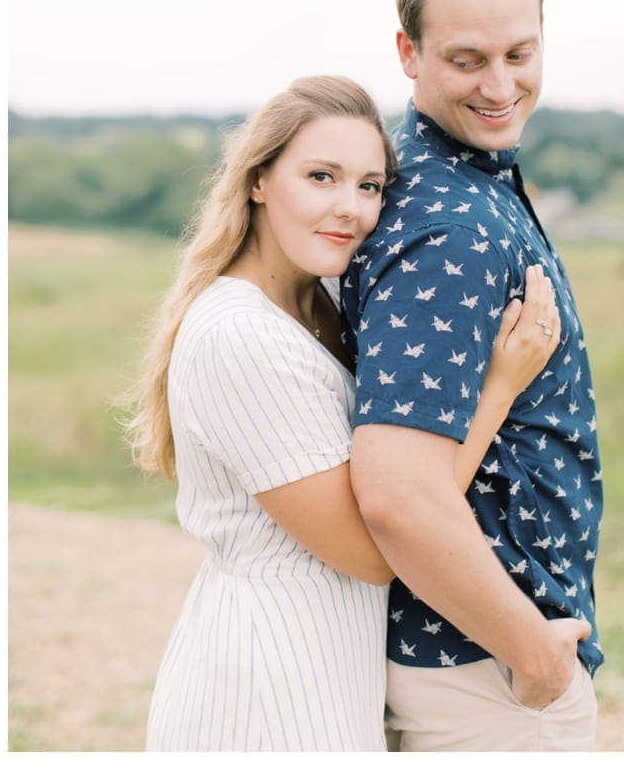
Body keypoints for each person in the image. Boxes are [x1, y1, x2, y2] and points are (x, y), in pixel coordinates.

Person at [123, 75, 560, 750]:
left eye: (369, 185)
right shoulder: (239, 333)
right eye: (321, 176)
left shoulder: (319, 301)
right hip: (264, 694)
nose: (350, 208)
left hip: (323, 674)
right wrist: (498, 390)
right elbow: (370, 549)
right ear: (260, 180)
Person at [342, 0, 604, 752]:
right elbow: (398, 491)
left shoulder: (463, 178)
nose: (500, 86)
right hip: (485, 666)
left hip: (484, 654)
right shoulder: (449, 226)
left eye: (520, 54)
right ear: (407, 52)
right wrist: (533, 653)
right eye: (467, 61)